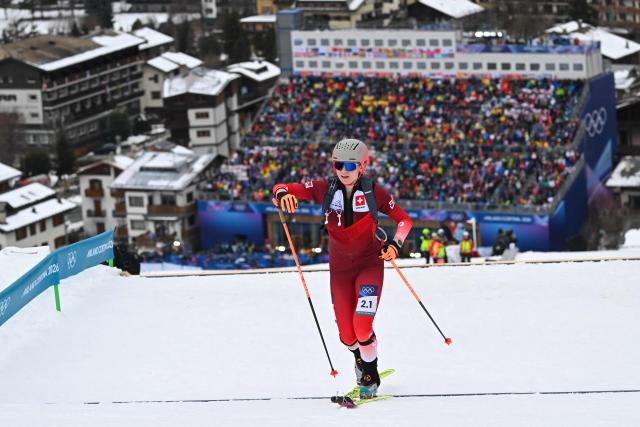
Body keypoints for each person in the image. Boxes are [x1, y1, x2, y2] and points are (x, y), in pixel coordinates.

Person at [271, 138, 413, 399]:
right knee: (348, 337)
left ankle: (370, 376)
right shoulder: (324, 188)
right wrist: (283, 195)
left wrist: (395, 243)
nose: (344, 170)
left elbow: (404, 221)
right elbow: (280, 187)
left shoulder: (374, 192)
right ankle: (361, 359)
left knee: (362, 325)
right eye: (339, 165)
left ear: (363, 166)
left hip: (369, 264)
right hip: (340, 270)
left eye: (351, 164)